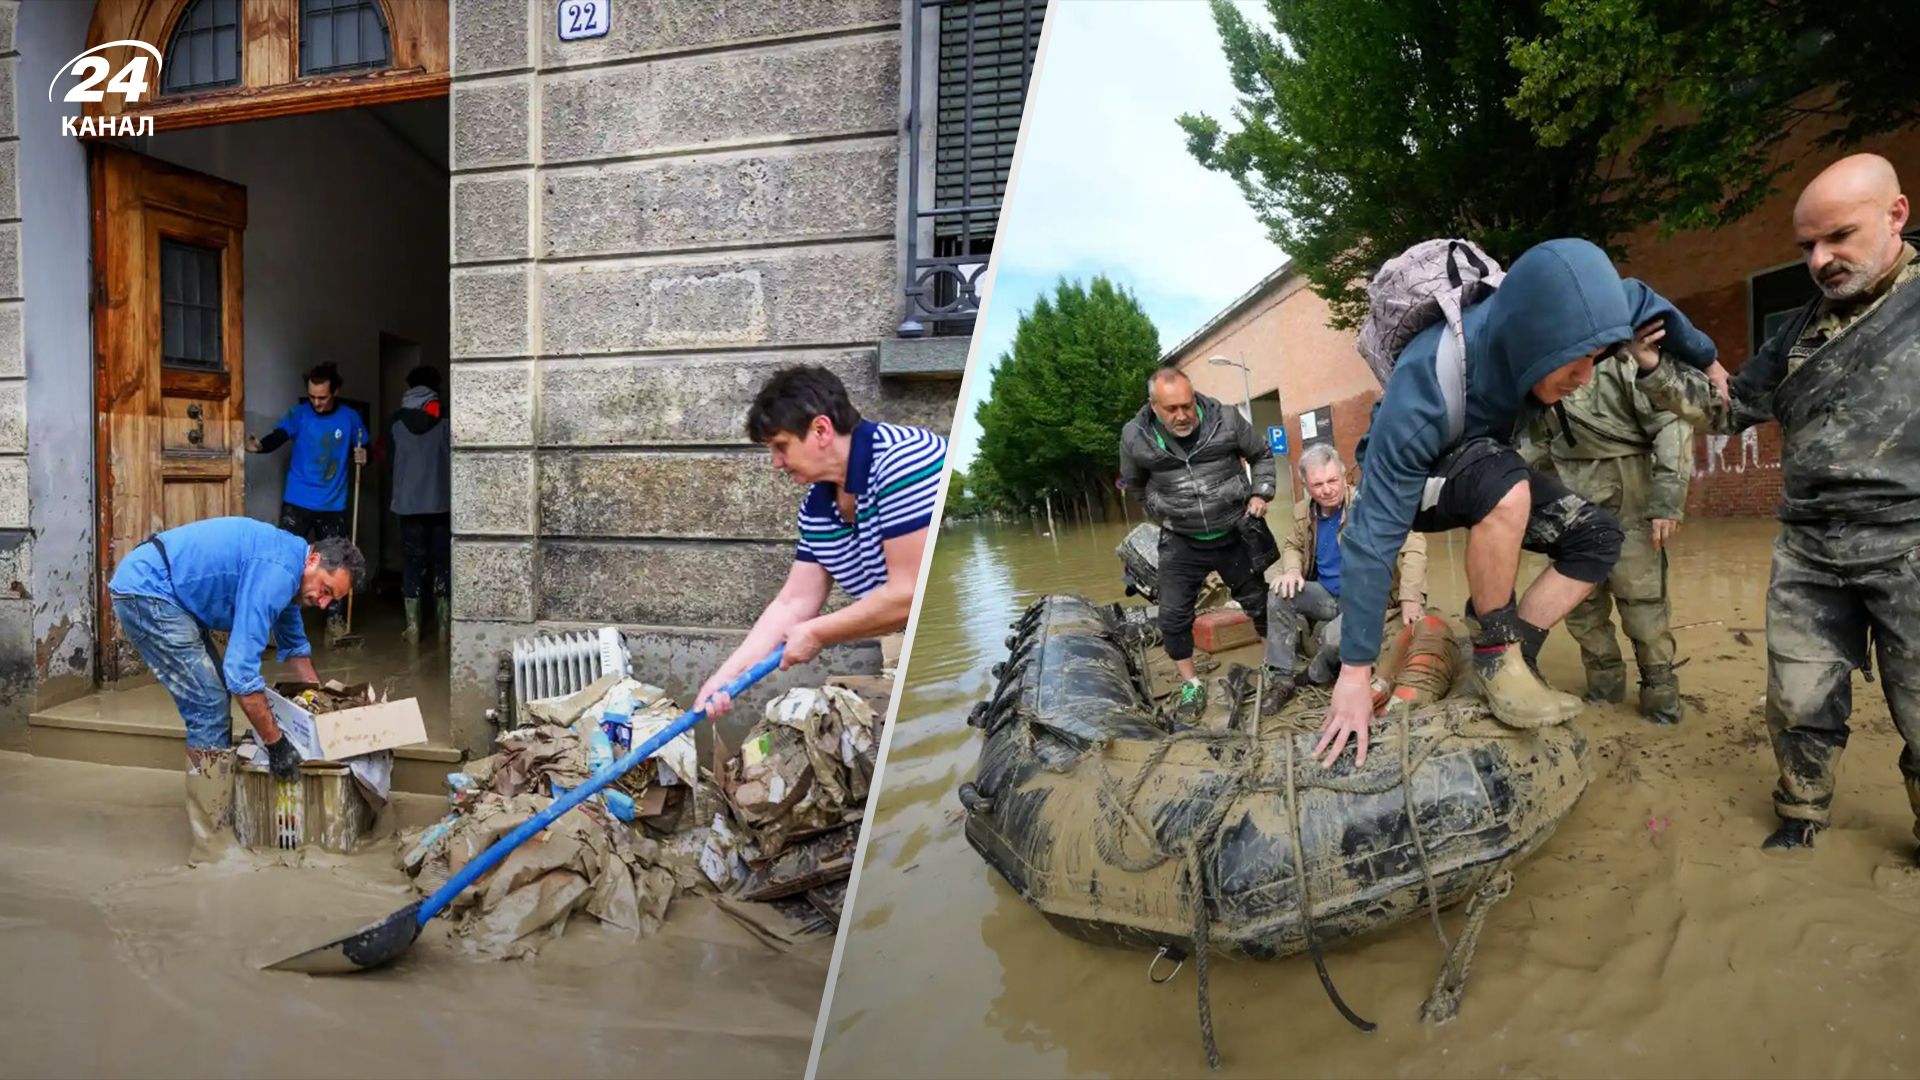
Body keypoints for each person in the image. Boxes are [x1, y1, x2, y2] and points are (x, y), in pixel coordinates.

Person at [1317, 237, 1718, 768]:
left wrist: (1708, 360)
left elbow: (1642, 298)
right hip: (1418, 486)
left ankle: (1509, 658)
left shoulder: (1572, 311)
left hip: (1486, 464)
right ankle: (1493, 647)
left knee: (1598, 538)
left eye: (1596, 360)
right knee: (1504, 477)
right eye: (1575, 364)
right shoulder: (1423, 390)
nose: (1585, 380)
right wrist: (1354, 674)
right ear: (1536, 343)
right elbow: (1370, 542)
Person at [1631, 153, 1920, 855]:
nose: (1820, 260)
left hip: (1910, 542)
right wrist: (1650, 367)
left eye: (1839, 238)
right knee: (1796, 698)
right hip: (1809, 550)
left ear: (1896, 215)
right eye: (1807, 247)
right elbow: (1730, 411)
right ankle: (1800, 814)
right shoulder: (1794, 333)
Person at [107, 517, 366, 863]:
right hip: (148, 591)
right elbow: (241, 674)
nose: (322, 603)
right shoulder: (278, 572)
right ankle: (211, 847)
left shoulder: (292, 571)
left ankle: (219, 812)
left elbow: (296, 647)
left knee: (213, 698)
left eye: (330, 600)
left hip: (172, 593)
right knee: (209, 703)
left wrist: (319, 709)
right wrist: (277, 744)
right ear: (315, 560)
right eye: (326, 590)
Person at [695, 366, 945, 718]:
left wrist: (817, 633)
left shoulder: (905, 462)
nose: (776, 464)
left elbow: (910, 594)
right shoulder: (817, 506)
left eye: (781, 446)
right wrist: (724, 678)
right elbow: (793, 603)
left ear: (821, 429)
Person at [1521, 348, 1694, 724]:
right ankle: (1605, 693)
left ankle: (1661, 697)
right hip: (1568, 505)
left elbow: (1672, 420)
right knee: (1582, 610)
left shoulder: (1620, 361)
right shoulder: (1534, 369)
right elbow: (1529, 447)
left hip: (1630, 500)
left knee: (1644, 607)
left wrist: (1667, 500)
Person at [1118, 368, 1278, 725]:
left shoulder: (1227, 420)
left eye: (1187, 406)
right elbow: (1135, 486)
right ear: (1153, 406)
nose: (1182, 415)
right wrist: (1164, 512)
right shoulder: (1134, 437)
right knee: (1173, 617)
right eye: (1171, 409)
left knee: (1260, 603)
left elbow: (1262, 455)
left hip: (1235, 531)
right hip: (1181, 540)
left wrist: (1261, 492)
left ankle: (1273, 667)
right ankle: (1192, 683)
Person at [1265, 442, 1428, 711]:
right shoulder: (1304, 511)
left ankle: (1314, 675)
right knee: (1278, 594)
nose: (1328, 490)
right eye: (1318, 485)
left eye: (1333, 480)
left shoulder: (1370, 507)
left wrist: (1411, 597)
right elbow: (1292, 545)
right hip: (1329, 596)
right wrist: (1292, 570)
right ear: (1306, 485)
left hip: (1367, 600)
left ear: (1344, 475)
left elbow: (1415, 544)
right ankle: (1282, 680)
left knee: (1332, 638)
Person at [246, 362, 370, 643]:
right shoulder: (299, 414)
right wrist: (261, 446)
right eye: (313, 397)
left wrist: (365, 456)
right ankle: (275, 625)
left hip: (333, 504)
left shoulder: (351, 418)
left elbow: (366, 448)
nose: (317, 403)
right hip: (298, 501)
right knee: (282, 563)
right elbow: (279, 435)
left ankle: (335, 625)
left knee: (336, 566)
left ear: (335, 391)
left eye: (323, 397)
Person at [380, 366, 451, 644]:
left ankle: (413, 630)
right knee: (442, 562)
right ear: (435, 387)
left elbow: (389, 462)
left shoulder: (395, 420)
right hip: (441, 503)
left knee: (412, 562)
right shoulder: (445, 416)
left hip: (408, 505)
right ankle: (445, 630)